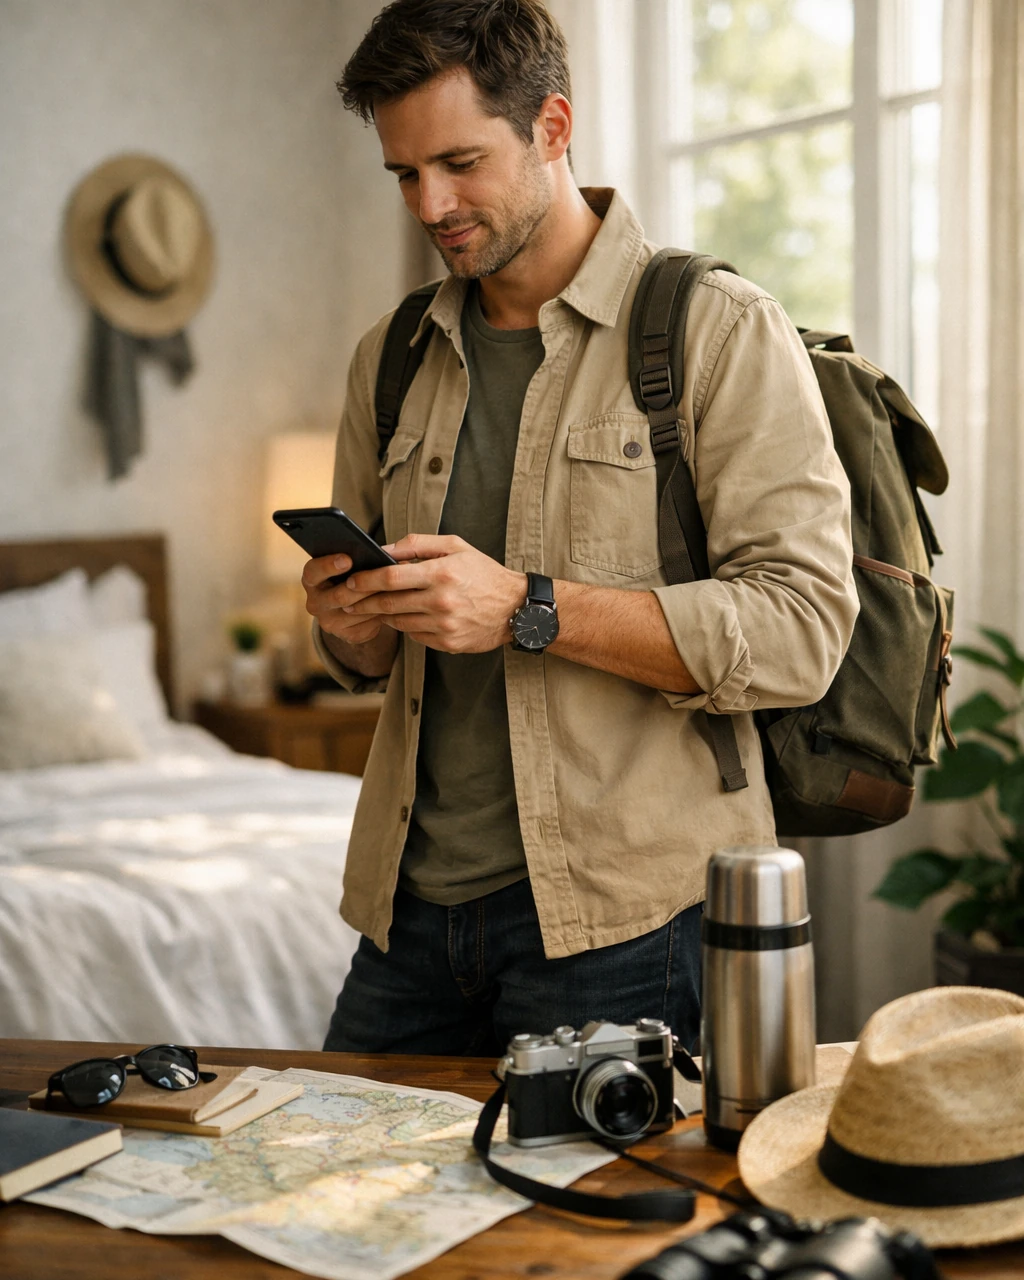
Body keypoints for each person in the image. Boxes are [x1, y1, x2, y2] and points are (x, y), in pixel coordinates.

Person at [305, 0, 858, 1058]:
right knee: (330, 1208)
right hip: (409, 912)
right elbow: (363, 661)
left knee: (601, 1224)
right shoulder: (390, 355)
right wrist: (352, 621)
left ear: (552, 127)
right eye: (404, 174)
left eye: (459, 162)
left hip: (626, 916)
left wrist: (527, 607)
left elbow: (801, 627)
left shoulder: (716, 328)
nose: (430, 203)